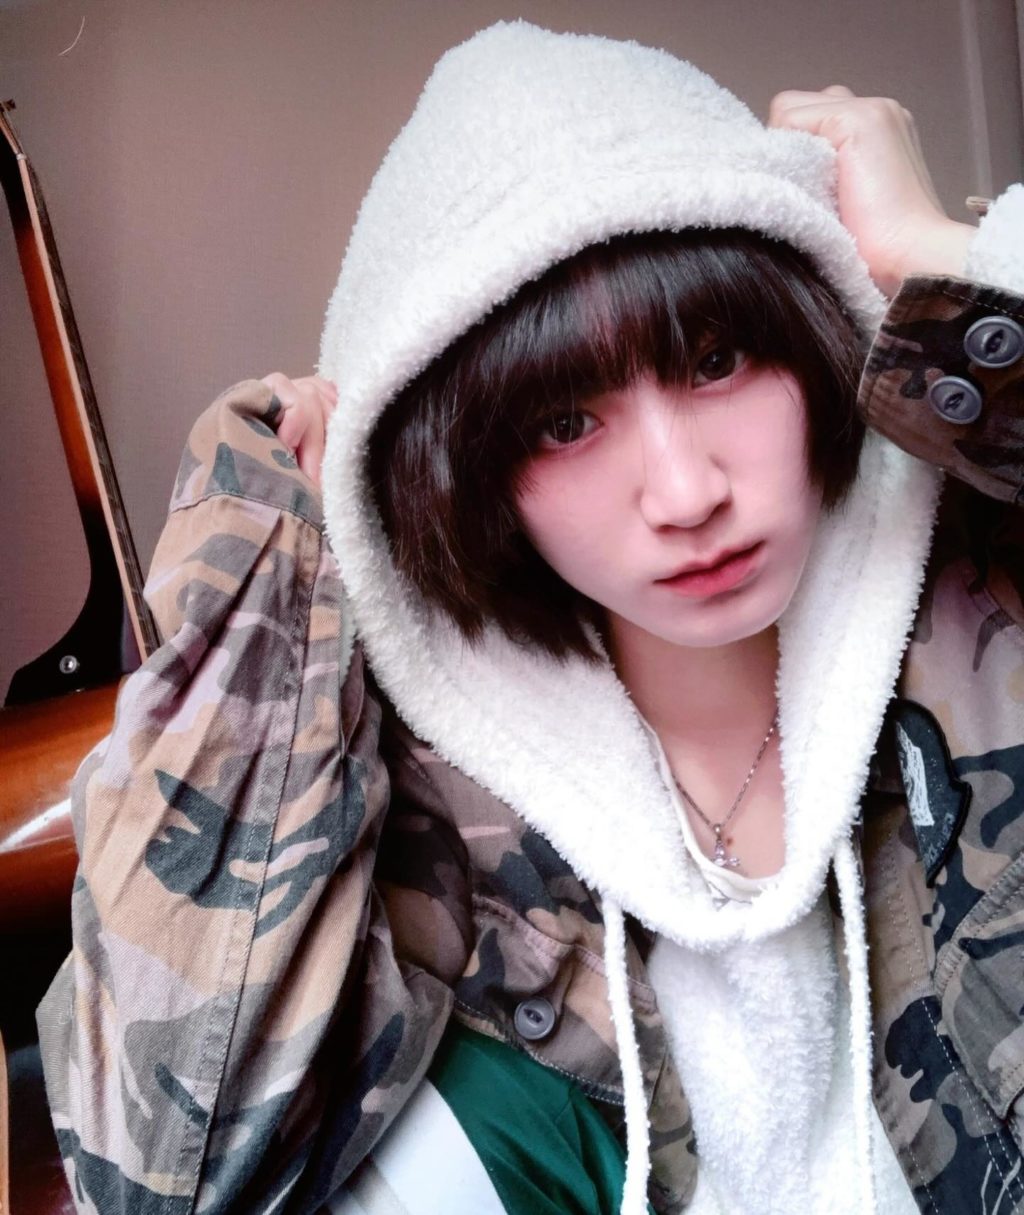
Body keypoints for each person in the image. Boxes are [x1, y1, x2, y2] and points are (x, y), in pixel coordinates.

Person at [36, 20, 1024, 1215]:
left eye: (718, 361)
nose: (686, 494)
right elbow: (159, 1181)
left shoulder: (979, 597)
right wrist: (276, 579)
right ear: (471, 472)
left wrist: (951, 261)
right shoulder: (432, 776)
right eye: (565, 425)